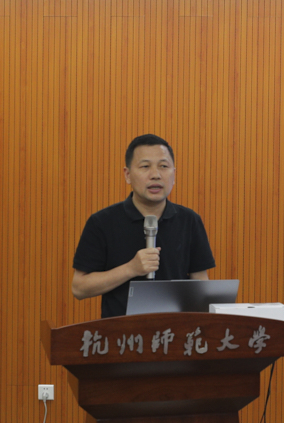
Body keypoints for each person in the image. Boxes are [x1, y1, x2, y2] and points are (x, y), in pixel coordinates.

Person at [71, 134, 215, 317]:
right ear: (128, 175)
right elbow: (79, 288)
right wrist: (130, 269)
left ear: (174, 174)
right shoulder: (102, 222)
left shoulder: (189, 220)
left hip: (176, 330)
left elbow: (200, 281)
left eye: (163, 166)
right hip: (122, 332)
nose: (155, 175)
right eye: (145, 166)